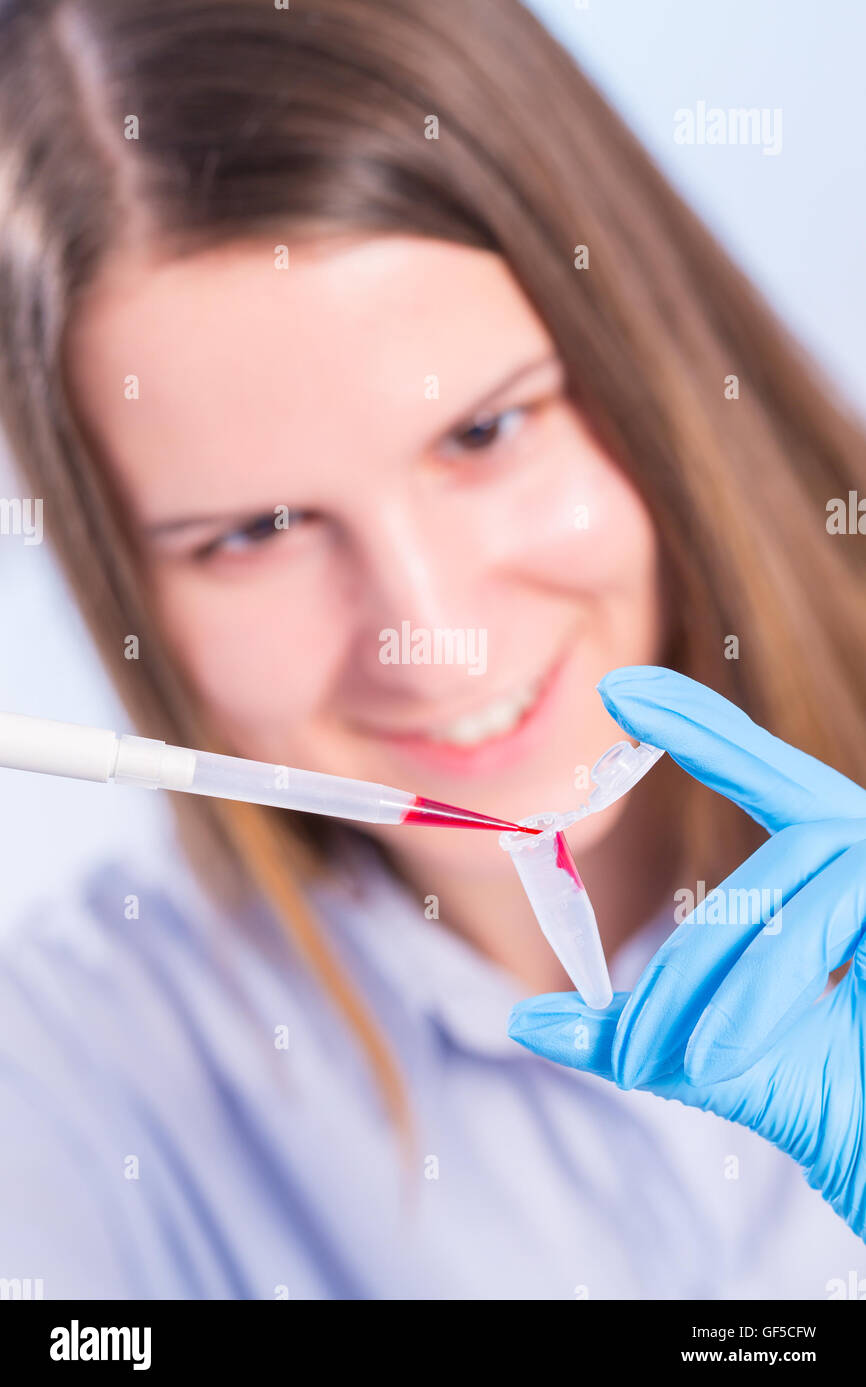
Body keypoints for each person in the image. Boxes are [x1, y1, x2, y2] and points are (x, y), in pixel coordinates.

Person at [0, 0, 863, 1299]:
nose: (429, 632)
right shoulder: (68, 1077)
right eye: (259, 528)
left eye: (483, 433)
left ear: (649, 356)